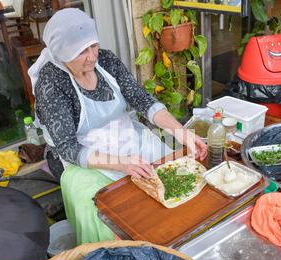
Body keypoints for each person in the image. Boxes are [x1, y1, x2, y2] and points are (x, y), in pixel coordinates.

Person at [29, 8, 207, 245]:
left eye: (93, 45)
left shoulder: (106, 60)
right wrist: (123, 164)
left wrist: (182, 133)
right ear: (62, 53)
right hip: (87, 159)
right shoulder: (51, 83)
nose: (92, 56)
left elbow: (142, 100)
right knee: (116, 218)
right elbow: (67, 147)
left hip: (128, 137)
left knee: (177, 182)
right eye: (82, 51)